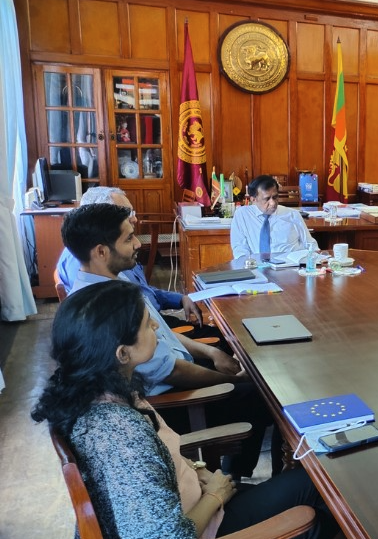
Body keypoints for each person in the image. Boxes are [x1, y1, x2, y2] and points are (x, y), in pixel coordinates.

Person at [31, 280, 354, 539]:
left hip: (186, 512)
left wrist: (198, 472)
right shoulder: (120, 434)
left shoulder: (94, 394)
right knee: (312, 500)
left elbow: (152, 477)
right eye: (147, 324)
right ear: (122, 353)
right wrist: (217, 494)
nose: (157, 326)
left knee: (304, 488)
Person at [61, 203, 281, 480]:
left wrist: (210, 351)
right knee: (264, 395)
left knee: (235, 353)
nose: (137, 244)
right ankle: (234, 480)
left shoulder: (111, 287)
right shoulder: (107, 307)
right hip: (173, 402)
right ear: (101, 251)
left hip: (173, 373)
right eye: (128, 238)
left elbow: (160, 330)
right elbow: (171, 370)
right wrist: (237, 381)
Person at [56, 186, 228, 348]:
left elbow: (144, 291)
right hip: (143, 332)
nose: (134, 218)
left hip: (151, 321)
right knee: (224, 341)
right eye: (125, 213)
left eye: (132, 211)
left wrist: (180, 299)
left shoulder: (114, 252)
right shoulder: (88, 263)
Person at [230, 175, 317, 260]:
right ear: (253, 199)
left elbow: (310, 244)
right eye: (267, 199)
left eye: (275, 197)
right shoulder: (242, 215)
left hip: (291, 267)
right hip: (258, 268)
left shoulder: (292, 215)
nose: (272, 203)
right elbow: (240, 249)